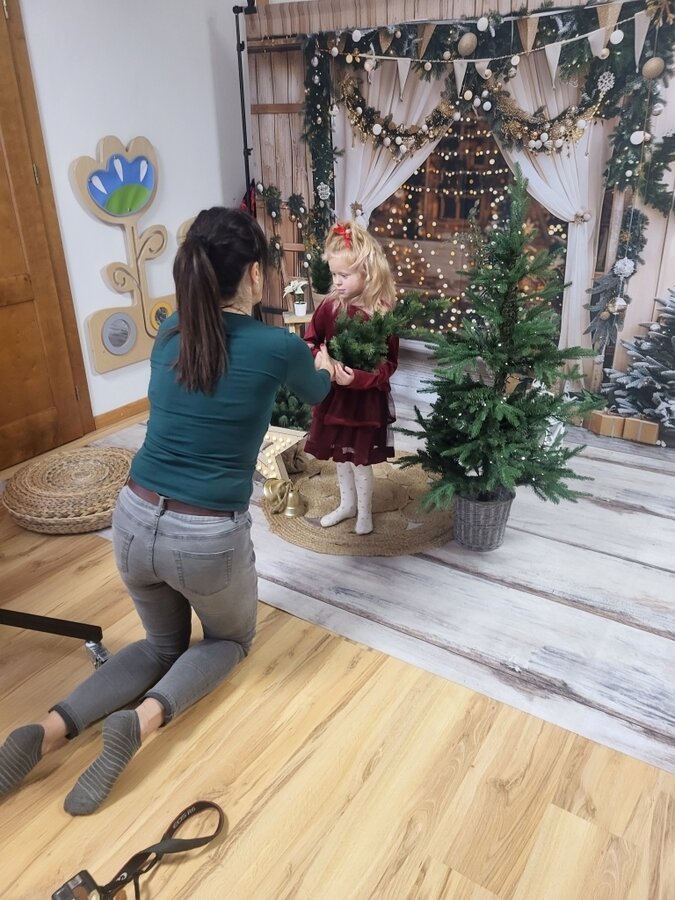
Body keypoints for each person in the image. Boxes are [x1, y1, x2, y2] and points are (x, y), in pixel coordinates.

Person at [0, 207, 333, 814]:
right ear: (254, 274)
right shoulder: (278, 346)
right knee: (231, 640)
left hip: (131, 521)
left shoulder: (172, 333)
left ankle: (47, 730)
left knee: (160, 645)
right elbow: (320, 394)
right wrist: (326, 365)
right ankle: (143, 720)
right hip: (205, 540)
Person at [304, 221, 399, 535]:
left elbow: (389, 364)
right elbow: (311, 339)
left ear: (367, 272)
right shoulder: (330, 306)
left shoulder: (381, 314)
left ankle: (365, 513)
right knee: (340, 457)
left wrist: (357, 378)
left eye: (344, 275)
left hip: (364, 403)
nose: (337, 282)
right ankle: (347, 505)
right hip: (335, 399)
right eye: (334, 274)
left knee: (359, 460)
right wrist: (319, 358)